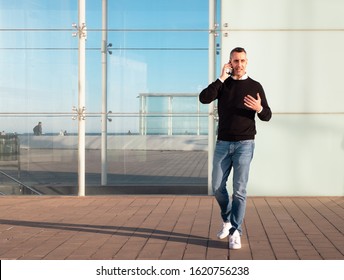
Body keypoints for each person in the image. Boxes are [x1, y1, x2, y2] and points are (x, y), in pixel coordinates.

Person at [199, 47, 272, 249]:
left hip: (245, 144)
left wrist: (259, 108)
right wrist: (221, 79)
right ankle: (227, 219)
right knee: (217, 187)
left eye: (242, 61)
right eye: (235, 61)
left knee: (239, 190)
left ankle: (235, 231)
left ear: (247, 62)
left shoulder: (255, 85)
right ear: (229, 63)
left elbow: (267, 115)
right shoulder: (223, 85)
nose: (239, 64)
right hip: (223, 143)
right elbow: (204, 98)